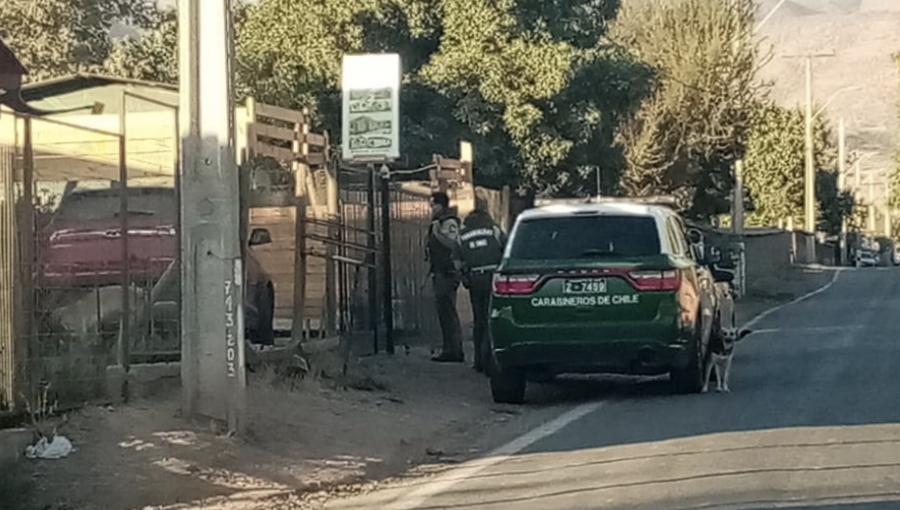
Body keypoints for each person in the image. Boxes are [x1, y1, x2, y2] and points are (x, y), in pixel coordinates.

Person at [459, 199, 507, 373]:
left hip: (474, 279)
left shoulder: (462, 234)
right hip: (493, 278)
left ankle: (478, 359)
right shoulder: (494, 230)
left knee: (478, 320)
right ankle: (490, 359)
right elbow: (506, 251)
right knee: (491, 318)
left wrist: (464, 277)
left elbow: (457, 261)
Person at [426, 191, 464, 363]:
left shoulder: (448, 223)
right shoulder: (438, 222)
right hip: (439, 271)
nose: (431, 208)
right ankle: (448, 348)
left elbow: (453, 244)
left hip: (447, 273)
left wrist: (437, 233)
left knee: (448, 313)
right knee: (443, 313)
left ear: (442, 205)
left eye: (434, 205)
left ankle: (455, 350)